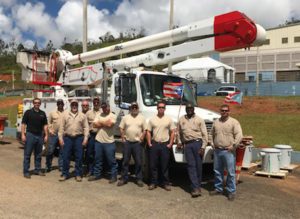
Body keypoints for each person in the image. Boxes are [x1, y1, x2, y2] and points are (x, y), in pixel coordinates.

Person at [210, 104, 243, 201]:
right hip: (217, 150)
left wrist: (233, 146)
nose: (224, 112)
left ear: (229, 111)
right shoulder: (216, 122)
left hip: (228, 151)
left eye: (226, 110)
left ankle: (231, 191)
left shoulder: (234, 122)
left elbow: (239, 135)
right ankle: (218, 188)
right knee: (217, 171)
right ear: (220, 111)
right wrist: (212, 144)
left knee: (230, 172)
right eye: (222, 110)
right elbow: (211, 134)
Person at [177, 103, 208, 198]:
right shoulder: (181, 119)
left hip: (197, 143)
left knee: (198, 166)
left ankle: (197, 186)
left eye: (191, 108)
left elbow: (205, 134)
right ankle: (195, 188)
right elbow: (178, 132)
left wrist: (203, 147)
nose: (189, 109)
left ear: (193, 109)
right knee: (191, 166)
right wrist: (179, 141)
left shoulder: (199, 119)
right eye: (187, 108)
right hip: (187, 145)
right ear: (185, 109)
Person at [146, 101, 175, 191]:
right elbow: (148, 132)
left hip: (165, 144)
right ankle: (153, 183)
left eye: (162, 107)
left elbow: (173, 131)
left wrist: (170, 143)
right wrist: (149, 143)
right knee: (153, 165)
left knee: (164, 165)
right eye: (159, 107)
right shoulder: (152, 119)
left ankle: (165, 183)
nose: (161, 109)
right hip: (154, 144)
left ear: (165, 109)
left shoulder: (169, 119)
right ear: (157, 108)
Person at [58, 99, 89, 182]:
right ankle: (65, 174)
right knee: (65, 157)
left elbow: (86, 128)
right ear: (70, 105)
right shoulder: (65, 115)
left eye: (76, 104)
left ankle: (78, 174)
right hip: (67, 138)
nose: (74, 106)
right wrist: (60, 139)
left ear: (78, 105)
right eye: (73, 105)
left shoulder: (82, 115)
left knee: (79, 157)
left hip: (79, 138)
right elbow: (61, 127)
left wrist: (85, 138)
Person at [117, 102, 146, 187]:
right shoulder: (126, 117)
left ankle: (139, 179)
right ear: (130, 108)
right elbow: (121, 128)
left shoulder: (142, 118)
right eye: (132, 107)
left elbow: (145, 129)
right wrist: (122, 137)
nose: (134, 109)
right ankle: (124, 178)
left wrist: (142, 137)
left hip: (137, 143)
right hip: (127, 142)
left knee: (139, 162)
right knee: (125, 161)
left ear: (138, 108)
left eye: (135, 107)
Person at [88, 102, 118, 183]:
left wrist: (100, 123)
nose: (104, 109)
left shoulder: (113, 115)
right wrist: (104, 122)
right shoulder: (99, 114)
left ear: (109, 107)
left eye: (105, 107)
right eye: (103, 108)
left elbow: (110, 125)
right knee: (97, 159)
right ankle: (97, 174)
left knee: (111, 160)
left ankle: (113, 176)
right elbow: (94, 125)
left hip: (109, 142)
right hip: (99, 141)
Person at [21, 98, 48, 178]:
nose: (37, 104)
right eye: (35, 102)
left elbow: (45, 125)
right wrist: (23, 134)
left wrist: (46, 135)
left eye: (38, 103)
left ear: (40, 104)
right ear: (33, 103)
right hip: (30, 135)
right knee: (27, 154)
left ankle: (37, 170)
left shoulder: (43, 113)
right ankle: (26, 172)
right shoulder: (28, 112)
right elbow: (23, 124)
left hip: (40, 136)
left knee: (38, 154)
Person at [45, 99, 64, 173]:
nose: (60, 105)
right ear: (57, 104)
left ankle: (61, 166)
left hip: (62, 135)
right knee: (50, 151)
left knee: (62, 151)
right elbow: (49, 122)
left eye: (61, 104)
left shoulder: (66, 112)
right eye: (59, 104)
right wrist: (50, 130)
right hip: (54, 134)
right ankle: (48, 166)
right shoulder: (52, 112)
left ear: (63, 104)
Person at [84, 97, 101, 176]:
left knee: (98, 154)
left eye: (97, 102)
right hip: (91, 135)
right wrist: (86, 136)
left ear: (99, 102)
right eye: (95, 102)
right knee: (89, 153)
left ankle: (97, 171)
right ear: (93, 103)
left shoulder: (102, 112)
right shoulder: (88, 113)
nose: (96, 103)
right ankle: (90, 170)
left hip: (100, 135)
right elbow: (86, 125)